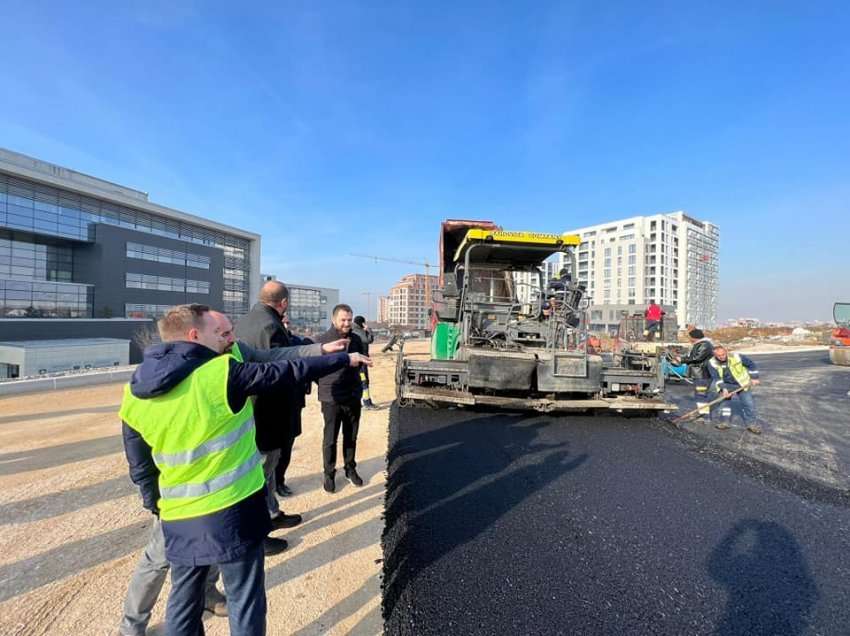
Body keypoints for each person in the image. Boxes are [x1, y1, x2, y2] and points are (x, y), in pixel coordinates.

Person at [120, 304, 369, 636]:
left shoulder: (133, 393)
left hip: (180, 515)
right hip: (232, 512)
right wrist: (342, 359)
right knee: (244, 599)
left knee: (184, 600)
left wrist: (155, 503)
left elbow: (139, 462)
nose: (231, 340)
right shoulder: (220, 373)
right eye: (222, 333)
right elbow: (287, 372)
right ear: (195, 335)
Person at [236, 281, 347, 508]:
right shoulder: (271, 326)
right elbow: (280, 366)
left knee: (258, 464)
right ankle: (268, 513)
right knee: (268, 464)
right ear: (284, 302)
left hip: (249, 404)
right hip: (272, 408)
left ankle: (271, 508)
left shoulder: (243, 321)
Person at [314, 304, 368, 493]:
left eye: (349, 319)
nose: (347, 323)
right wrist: (326, 386)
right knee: (330, 439)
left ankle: (350, 468)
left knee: (351, 436)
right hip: (331, 398)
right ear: (334, 319)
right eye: (343, 320)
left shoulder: (356, 340)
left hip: (352, 396)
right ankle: (329, 474)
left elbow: (362, 362)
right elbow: (315, 370)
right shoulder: (322, 342)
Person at [706, 345, 762, 434]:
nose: (721, 357)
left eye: (723, 354)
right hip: (726, 385)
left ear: (726, 351)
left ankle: (751, 424)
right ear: (714, 355)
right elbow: (716, 377)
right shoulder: (711, 362)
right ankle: (725, 422)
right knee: (725, 405)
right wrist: (724, 389)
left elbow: (751, 365)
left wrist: (754, 377)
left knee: (748, 404)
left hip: (742, 384)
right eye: (719, 356)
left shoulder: (736, 357)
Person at [351, 315, 376, 409]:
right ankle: (366, 402)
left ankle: (363, 401)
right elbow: (368, 340)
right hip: (360, 361)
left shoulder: (353, 330)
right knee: (364, 380)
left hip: (359, 360)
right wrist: (368, 330)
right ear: (361, 323)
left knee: (361, 380)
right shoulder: (358, 331)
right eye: (363, 322)